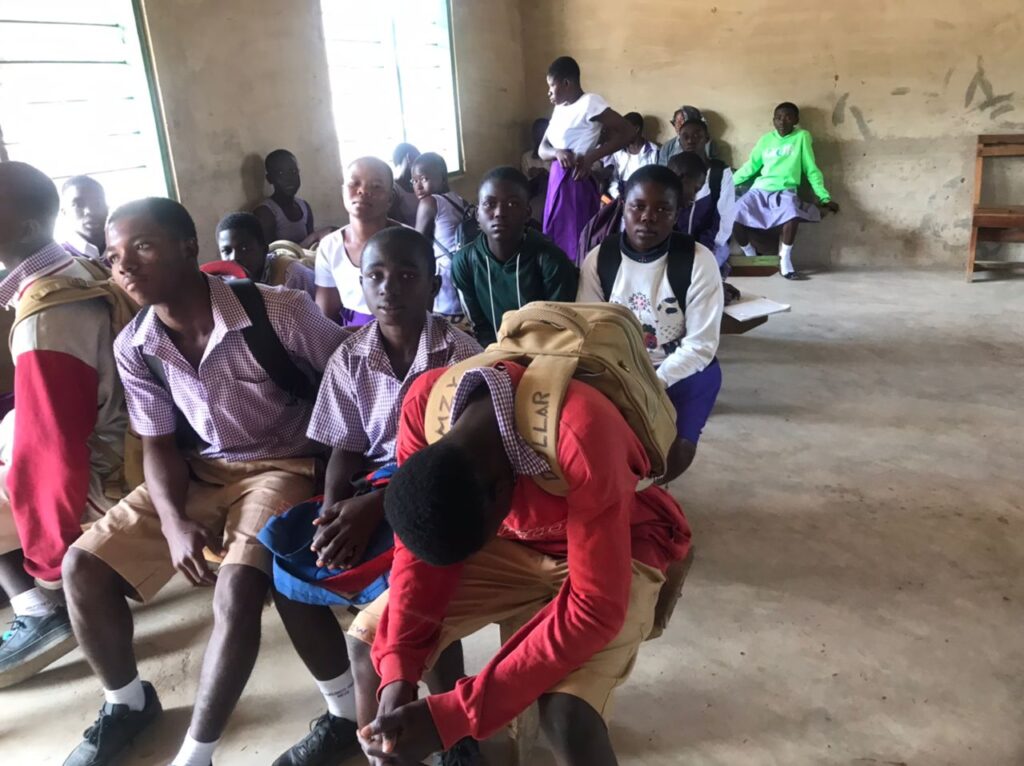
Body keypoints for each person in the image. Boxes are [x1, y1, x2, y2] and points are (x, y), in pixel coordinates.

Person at [60, 197, 347, 766]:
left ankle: (196, 754)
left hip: (285, 463)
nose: (126, 268)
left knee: (237, 588)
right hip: (201, 468)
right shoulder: (136, 346)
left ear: (191, 248)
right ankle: (126, 703)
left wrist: (345, 475)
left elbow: (354, 377)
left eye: (142, 247)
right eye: (116, 257)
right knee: (83, 567)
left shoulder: (281, 312)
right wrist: (172, 522)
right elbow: (160, 445)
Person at [351, 357, 692, 766]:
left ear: (502, 491)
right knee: (371, 645)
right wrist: (398, 674)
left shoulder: (580, 429)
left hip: (622, 540)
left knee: (568, 715)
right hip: (514, 541)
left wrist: (457, 714)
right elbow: (417, 559)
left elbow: (595, 608)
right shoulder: (425, 407)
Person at [272, 227, 482, 766]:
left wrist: (372, 507)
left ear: (434, 285)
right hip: (375, 485)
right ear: (358, 286)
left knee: (421, 581)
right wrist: (331, 509)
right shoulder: (350, 357)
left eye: (407, 276)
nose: (389, 289)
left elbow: (459, 460)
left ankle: (452, 728)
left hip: (445, 490)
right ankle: (343, 711)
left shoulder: (462, 355)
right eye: (376, 277)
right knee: (288, 566)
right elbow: (345, 446)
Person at [0, 162, 128, 688]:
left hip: (108, 470)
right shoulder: (77, 269)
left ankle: (40, 608)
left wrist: (54, 567)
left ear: (27, 228)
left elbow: (50, 453)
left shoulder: (46, 315)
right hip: (121, 436)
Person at [579, 164, 723, 476]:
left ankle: (653, 494)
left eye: (662, 209)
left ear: (677, 213)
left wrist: (653, 382)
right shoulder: (601, 258)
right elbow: (589, 332)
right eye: (638, 206)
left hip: (680, 371)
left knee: (671, 453)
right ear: (622, 206)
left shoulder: (697, 261)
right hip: (618, 369)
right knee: (597, 443)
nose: (648, 217)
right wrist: (622, 380)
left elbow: (701, 345)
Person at [452, 167, 577, 346]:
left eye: (512, 204)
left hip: (547, 352)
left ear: (527, 213)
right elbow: (480, 327)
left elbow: (560, 329)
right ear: (477, 214)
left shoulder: (551, 260)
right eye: (489, 204)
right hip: (495, 351)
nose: (499, 213)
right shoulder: (464, 262)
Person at [538, 56, 634, 263]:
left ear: (566, 83)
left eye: (551, 86)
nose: (549, 92)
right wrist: (557, 153)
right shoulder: (559, 108)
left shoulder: (590, 102)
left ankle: (579, 286)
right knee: (554, 238)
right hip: (556, 180)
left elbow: (627, 131)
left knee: (575, 241)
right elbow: (542, 149)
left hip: (575, 180)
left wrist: (591, 157)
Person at [732, 102, 840, 280]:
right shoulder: (765, 140)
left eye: (788, 117)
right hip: (760, 189)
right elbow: (750, 167)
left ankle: (785, 260)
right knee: (734, 214)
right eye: (778, 117)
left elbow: (810, 168)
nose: (782, 121)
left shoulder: (802, 137)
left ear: (796, 120)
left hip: (785, 191)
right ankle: (750, 255)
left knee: (791, 214)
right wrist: (727, 184)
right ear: (773, 120)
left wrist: (823, 196)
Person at [314, 157, 404, 327]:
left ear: (391, 198)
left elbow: (421, 306)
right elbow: (325, 315)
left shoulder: (410, 241)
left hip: (405, 332)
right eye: (354, 184)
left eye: (376, 186)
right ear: (342, 192)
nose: (362, 190)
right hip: (352, 335)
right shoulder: (330, 247)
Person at [410, 152, 469, 319]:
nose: (418, 186)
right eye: (414, 180)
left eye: (423, 179)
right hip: (461, 267)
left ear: (442, 178)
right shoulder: (458, 199)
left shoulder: (429, 202)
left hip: (444, 274)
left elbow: (416, 243)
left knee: (445, 321)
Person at [213, 211, 316, 298]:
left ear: (264, 249)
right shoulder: (222, 283)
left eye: (244, 248)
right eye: (227, 251)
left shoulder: (292, 275)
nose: (234, 258)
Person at [678, 119, 736, 269]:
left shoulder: (720, 173)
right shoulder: (674, 170)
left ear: (707, 139)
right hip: (678, 244)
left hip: (712, 244)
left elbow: (725, 218)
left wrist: (703, 248)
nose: (691, 141)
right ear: (679, 141)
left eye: (697, 136)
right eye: (685, 136)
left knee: (701, 272)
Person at [253, 149, 316, 245]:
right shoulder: (265, 212)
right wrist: (314, 237)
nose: (289, 179)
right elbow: (271, 254)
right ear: (270, 179)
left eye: (293, 171)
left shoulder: (304, 206)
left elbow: (313, 246)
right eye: (281, 173)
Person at [667, 152, 719, 256]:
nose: (693, 197)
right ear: (682, 178)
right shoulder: (659, 207)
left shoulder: (706, 203)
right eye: (695, 189)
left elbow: (710, 230)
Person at [603, 112, 659, 199]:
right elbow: (614, 180)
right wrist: (618, 196)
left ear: (636, 129)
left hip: (644, 195)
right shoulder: (618, 151)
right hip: (620, 197)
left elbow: (655, 180)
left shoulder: (653, 151)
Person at [59, 175, 109, 264]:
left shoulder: (126, 249)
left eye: (98, 203)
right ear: (64, 212)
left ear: (107, 207)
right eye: (78, 204)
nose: (90, 211)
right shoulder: (59, 259)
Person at [521, 118, 552, 225]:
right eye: (537, 132)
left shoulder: (556, 156)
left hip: (551, 191)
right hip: (534, 192)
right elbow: (525, 183)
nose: (540, 135)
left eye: (543, 131)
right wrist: (532, 174)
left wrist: (546, 173)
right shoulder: (527, 157)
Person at [388, 143, 421, 226]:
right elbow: (395, 225)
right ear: (409, 158)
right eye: (419, 160)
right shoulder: (394, 190)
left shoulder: (416, 185)